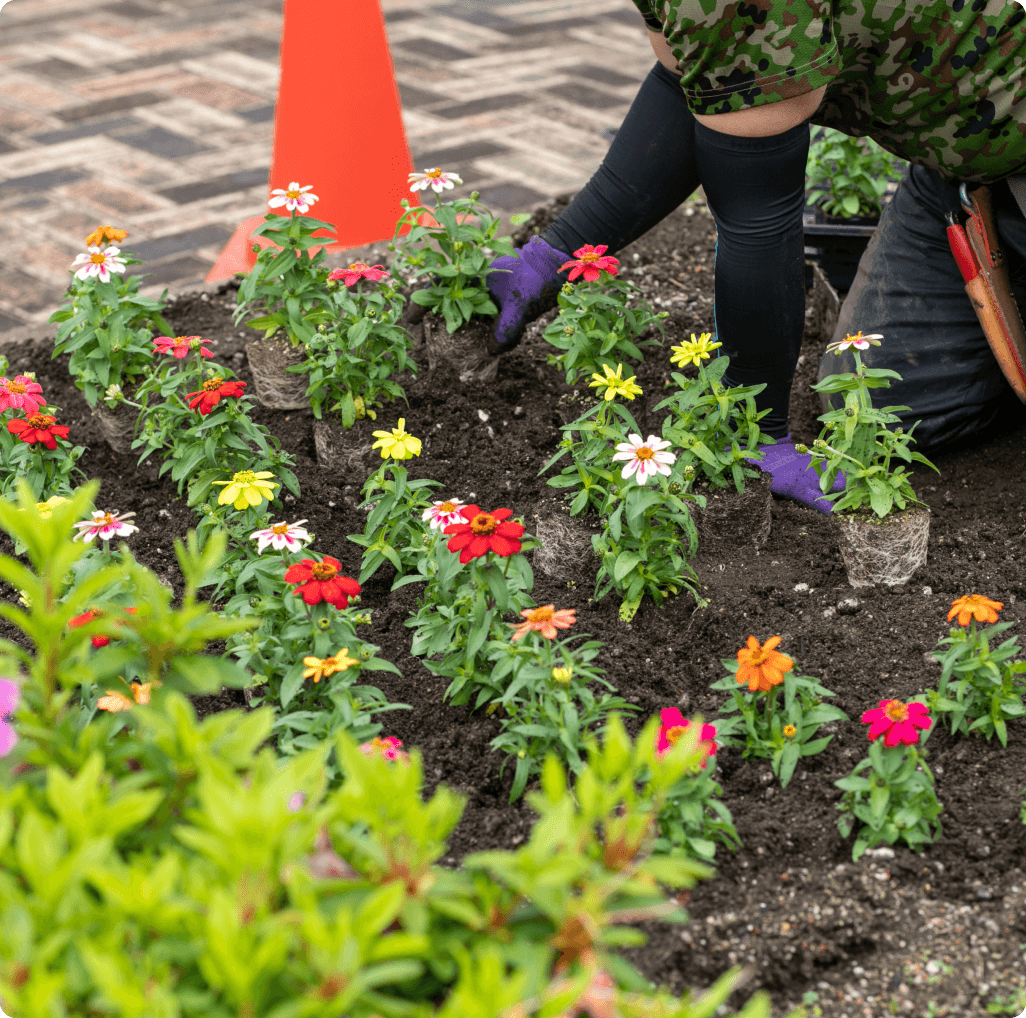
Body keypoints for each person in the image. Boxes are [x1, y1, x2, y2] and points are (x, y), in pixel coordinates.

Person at [483, 1, 1026, 513]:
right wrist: (546, 257)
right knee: (880, 402)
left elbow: (757, 217)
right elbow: (687, 90)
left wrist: (758, 432)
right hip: (974, 173)